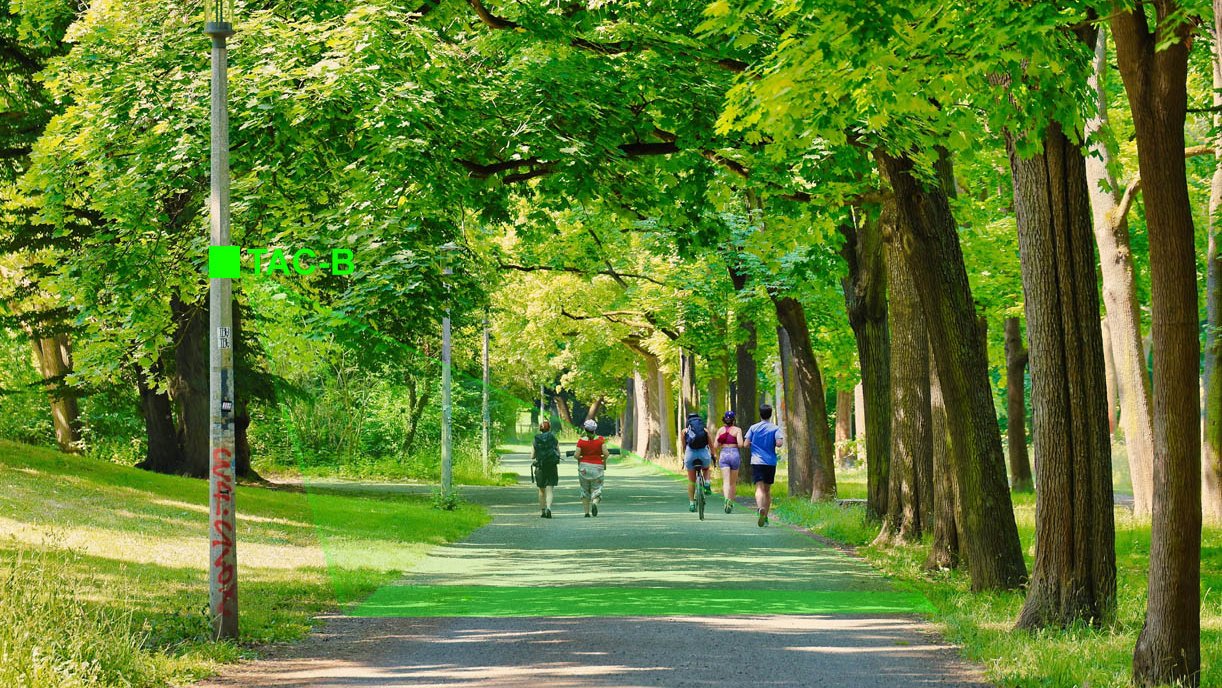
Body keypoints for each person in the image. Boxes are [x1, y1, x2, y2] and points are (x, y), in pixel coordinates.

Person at [743, 404, 784, 527]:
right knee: (767, 490)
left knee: (759, 488)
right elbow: (779, 443)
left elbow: (745, 444)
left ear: (760, 414)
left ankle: (760, 508)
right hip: (770, 462)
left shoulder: (753, 428)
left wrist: (752, 443)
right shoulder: (775, 428)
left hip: (757, 461)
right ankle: (765, 516)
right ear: (770, 414)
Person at [711, 410, 744, 514]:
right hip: (734, 454)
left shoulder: (720, 430)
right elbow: (740, 444)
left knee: (726, 481)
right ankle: (731, 502)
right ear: (734, 420)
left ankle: (726, 499)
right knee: (733, 482)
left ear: (724, 419)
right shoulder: (737, 430)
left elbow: (715, 446)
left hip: (724, 454)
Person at [575, 419, 609, 517]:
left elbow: (576, 455)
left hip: (584, 468)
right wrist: (603, 459)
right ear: (595, 429)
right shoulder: (600, 440)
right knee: (597, 488)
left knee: (584, 489)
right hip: (597, 467)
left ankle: (586, 512)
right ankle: (594, 502)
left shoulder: (581, 441)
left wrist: (582, 457)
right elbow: (606, 453)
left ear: (585, 429)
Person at [682, 412, 713, 512]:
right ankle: (707, 483)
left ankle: (691, 503)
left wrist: (684, 453)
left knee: (691, 481)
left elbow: (683, 445)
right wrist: (713, 454)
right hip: (703, 453)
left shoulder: (685, 431)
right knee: (707, 468)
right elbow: (710, 442)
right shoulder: (704, 430)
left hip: (690, 454)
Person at [531, 419, 561, 518]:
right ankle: (549, 508)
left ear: (540, 428)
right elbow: (558, 453)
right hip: (551, 466)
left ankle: (543, 511)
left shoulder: (536, 439)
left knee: (541, 491)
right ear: (549, 428)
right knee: (550, 490)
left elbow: (532, 456)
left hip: (540, 467)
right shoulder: (553, 438)